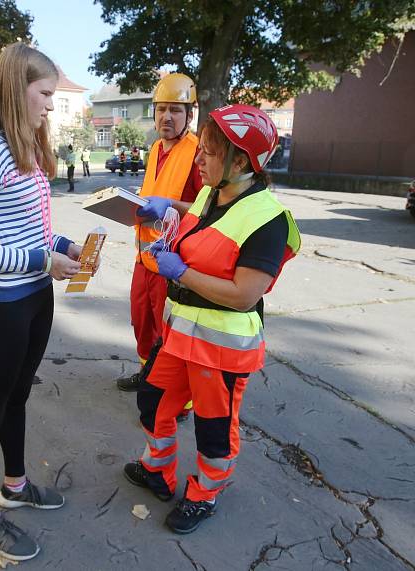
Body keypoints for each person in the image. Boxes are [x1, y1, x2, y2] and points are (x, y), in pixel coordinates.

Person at [123, 104, 300, 534]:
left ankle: (205, 494)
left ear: (241, 161)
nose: (198, 160)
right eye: (199, 149)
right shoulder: (211, 192)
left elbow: (243, 296)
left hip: (221, 348)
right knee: (152, 400)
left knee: (214, 429)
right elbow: (200, 216)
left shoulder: (268, 220)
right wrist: (167, 209)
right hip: (180, 334)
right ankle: (158, 470)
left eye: (208, 153)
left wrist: (181, 272)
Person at [0, 43, 90, 562]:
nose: (52, 105)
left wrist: (61, 246)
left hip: (36, 296)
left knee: (17, 398)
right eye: (46, 94)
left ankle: (14, 483)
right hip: (2, 306)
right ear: (18, 89)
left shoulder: (25, 143)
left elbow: (26, 227)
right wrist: (40, 258)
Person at [116, 73, 202, 397]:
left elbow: (206, 210)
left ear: (189, 115)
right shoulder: (155, 149)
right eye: (161, 109)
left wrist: (171, 206)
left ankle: (177, 398)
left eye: (175, 110)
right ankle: (147, 377)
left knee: (171, 332)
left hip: (173, 263)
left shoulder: (198, 152)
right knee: (143, 324)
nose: (166, 116)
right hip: (145, 258)